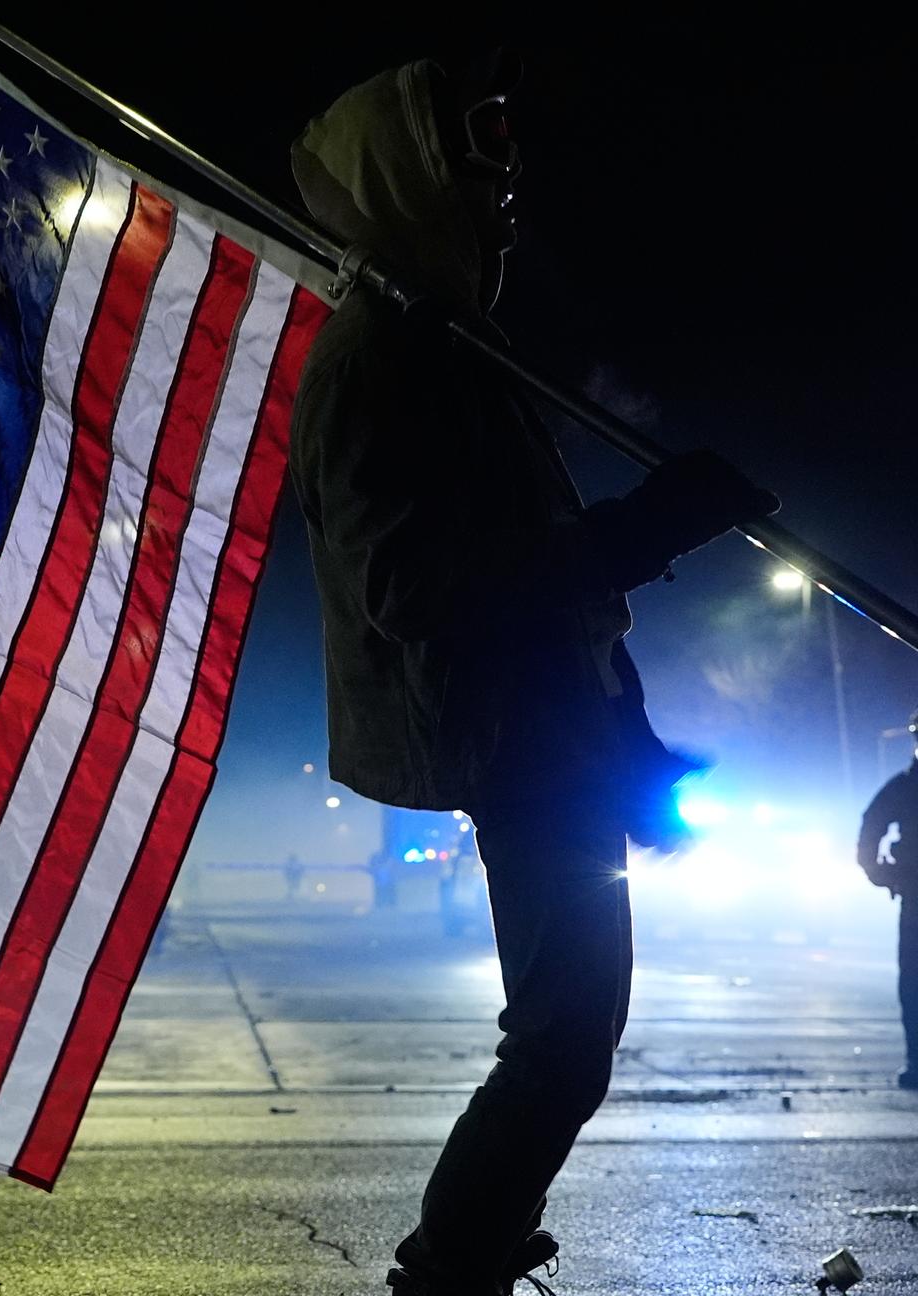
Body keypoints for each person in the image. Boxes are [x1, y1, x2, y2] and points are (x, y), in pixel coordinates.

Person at [286, 48, 781, 1296]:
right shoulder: (373, 364)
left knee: (572, 1036)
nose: (503, 211)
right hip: (517, 751)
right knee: (561, 1044)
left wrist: (638, 752)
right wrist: (649, 525)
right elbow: (420, 593)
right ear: (409, 186)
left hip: (562, 744)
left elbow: (557, 608)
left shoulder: (449, 348)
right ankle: (453, 1266)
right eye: (476, 182)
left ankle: (473, 1249)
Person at [857, 708, 918, 1091]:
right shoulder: (904, 788)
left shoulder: (904, 786)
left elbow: (870, 832)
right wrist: (884, 875)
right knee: (913, 983)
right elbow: (870, 831)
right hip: (915, 899)